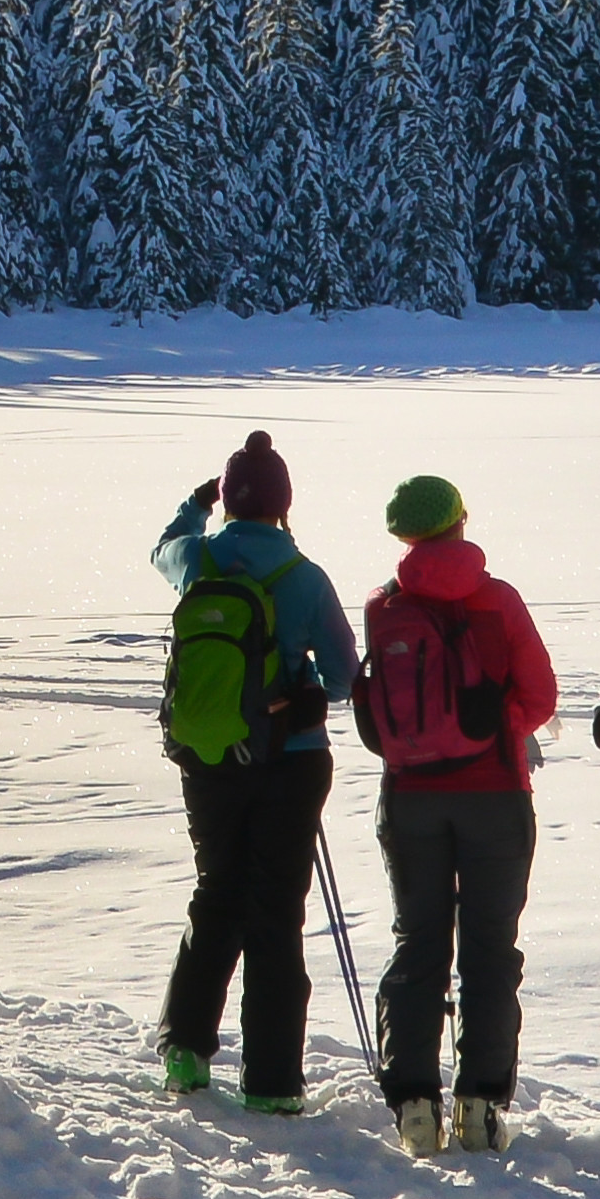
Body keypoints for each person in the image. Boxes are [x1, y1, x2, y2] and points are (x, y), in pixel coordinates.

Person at [146, 435, 356, 1111]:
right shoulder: (304, 574)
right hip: (290, 762)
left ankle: (184, 1051)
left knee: (216, 895)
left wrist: (195, 503)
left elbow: (164, 544)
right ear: (283, 502)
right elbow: (345, 678)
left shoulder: (197, 561)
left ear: (230, 498)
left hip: (209, 757)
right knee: (274, 915)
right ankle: (270, 1083)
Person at [352, 476, 556, 1158]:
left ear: (404, 535)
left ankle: (414, 1104)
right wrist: (495, 733)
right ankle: (479, 1105)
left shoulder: (383, 606)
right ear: (460, 520)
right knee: (490, 949)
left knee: (420, 943)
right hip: (496, 793)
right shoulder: (496, 600)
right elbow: (541, 694)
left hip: (409, 795)